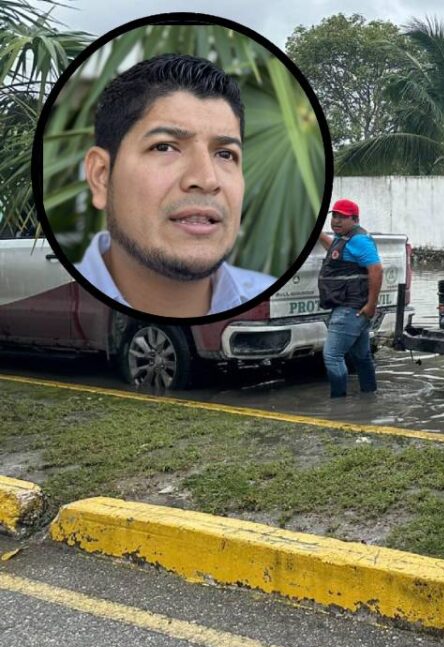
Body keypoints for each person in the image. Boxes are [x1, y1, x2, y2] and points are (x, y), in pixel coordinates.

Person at [78, 54, 274, 317]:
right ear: (101, 176)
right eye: (164, 147)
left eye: (225, 154)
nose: (207, 180)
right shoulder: (53, 302)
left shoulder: (273, 299)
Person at [317, 198, 382, 398]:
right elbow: (336, 251)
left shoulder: (359, 240)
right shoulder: (344, 238)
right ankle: (369, 397)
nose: (336, 221)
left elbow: (376, 270)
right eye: (334, 216)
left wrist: (371, 305)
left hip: (350, 308)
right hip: (354, 308)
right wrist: (317, 233)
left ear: (355, 219)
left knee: (332, 356)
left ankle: (338, 402)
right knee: (361, 356)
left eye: (342, 217)